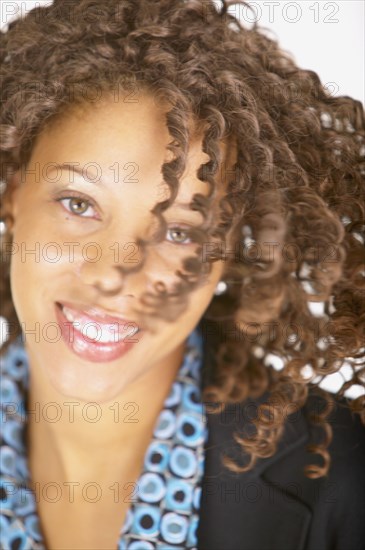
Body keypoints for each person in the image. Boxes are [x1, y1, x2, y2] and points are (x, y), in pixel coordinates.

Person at [0, 1, 364, 549]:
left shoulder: (343, 482)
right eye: (79, 203)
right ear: (11, 193)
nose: (114, 275)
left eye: (178, 233)